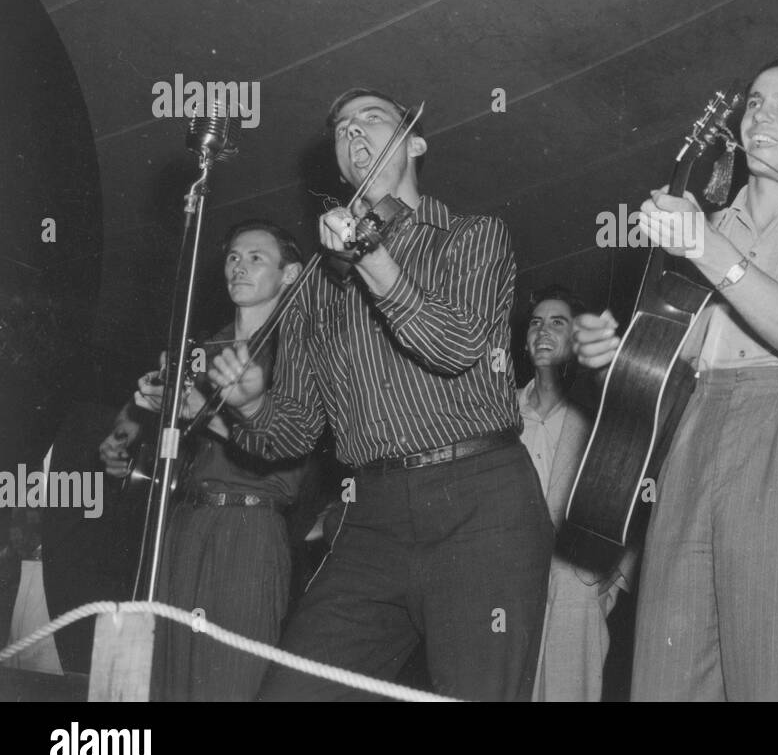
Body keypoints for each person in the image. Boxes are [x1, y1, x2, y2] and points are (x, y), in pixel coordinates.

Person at [208, 88, 552, 702]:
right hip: (372, 515)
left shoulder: (471, 236)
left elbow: (453, 346)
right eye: (342, 127)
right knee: (291, 694)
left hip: (481, 502)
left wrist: (372, 256)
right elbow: (295, 433)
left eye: (374, 119)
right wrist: (252, 404)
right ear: (338, 163)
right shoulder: (314, 284)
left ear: (415, 142)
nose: (355, 131)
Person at [575, 56, 778, 701]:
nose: (762, 114)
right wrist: (614, 351)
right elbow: (672, 358)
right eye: (754, 101)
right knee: (668, 673)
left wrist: (707, 250)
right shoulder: (704, 228)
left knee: (777, 672)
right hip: (697, 430)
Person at [102, 220, 310, 700]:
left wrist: (200, 414)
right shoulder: (204, 349)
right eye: (233, 256)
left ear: (291, 274)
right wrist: (143, 426)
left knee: (228, 679)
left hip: (248, 529)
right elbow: (182, 445)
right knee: (168, 677)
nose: (238, 266)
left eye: (256, 257)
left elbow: (285, 454)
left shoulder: (300, 352)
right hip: (187, 523)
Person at [518, 284, 634, 701]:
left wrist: (615, 574)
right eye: (535, 323)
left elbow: (634, 494)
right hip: (512, 581)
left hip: (574, 584)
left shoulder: (601, 412)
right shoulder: (500, 411)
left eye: (557, 323)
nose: (542, 331)